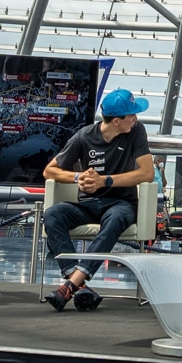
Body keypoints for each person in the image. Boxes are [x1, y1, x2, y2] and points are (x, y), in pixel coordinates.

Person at [40, 87, 154, 312]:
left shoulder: (136, 131)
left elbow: (147, 173)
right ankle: (78, 285)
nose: (135, 118)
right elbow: (49, 171)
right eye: (131, 114)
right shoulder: (84, 136)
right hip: (88, 204)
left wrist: (106, 181)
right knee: (53, 214)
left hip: (121, 203)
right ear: (116, 121)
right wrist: (77, 176)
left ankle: (71, 284)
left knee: (116, 217)